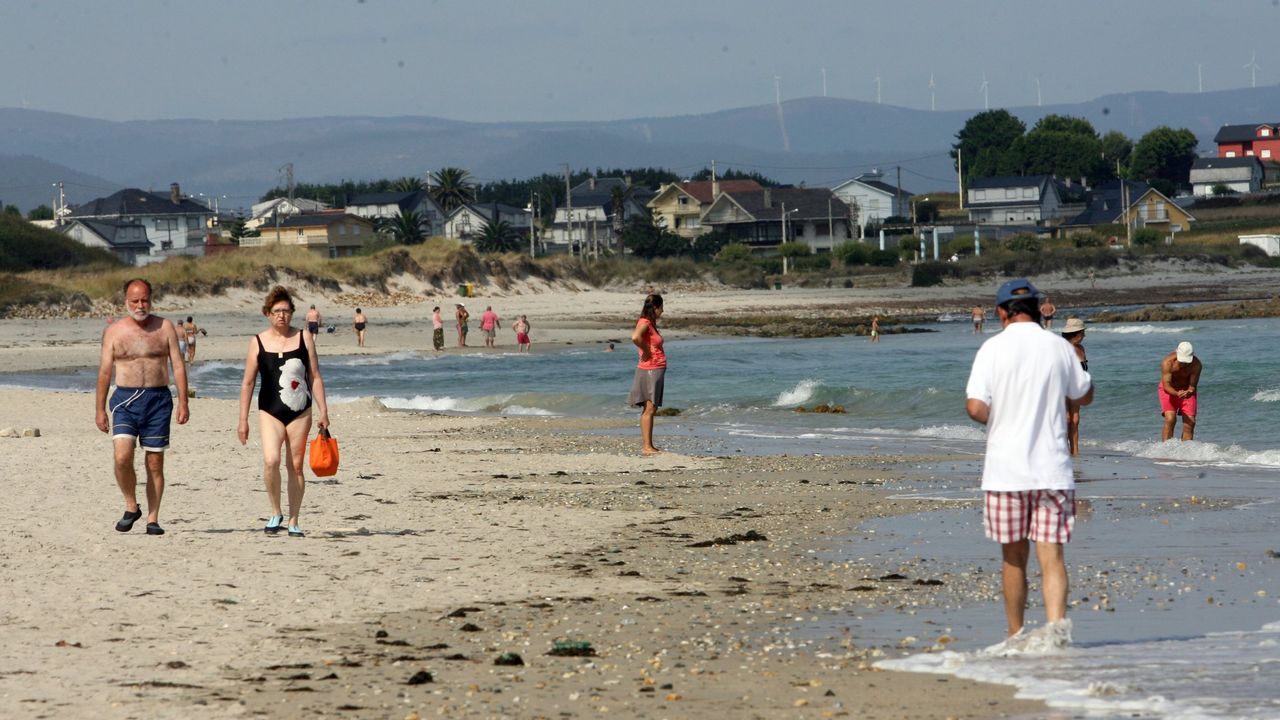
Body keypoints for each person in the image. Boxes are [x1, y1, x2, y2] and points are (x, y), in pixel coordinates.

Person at [965, 278, 1093, 645]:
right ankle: (1056, 633)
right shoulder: (1059, 347)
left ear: (1001, 312)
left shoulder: (991, 348)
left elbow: (975, 406)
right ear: (1038, 309)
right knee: (1051, 556)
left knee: (1014, 558)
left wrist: (1000, 418)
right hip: (1052, 469)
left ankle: (1016, 635)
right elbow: (1083, 395)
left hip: (1005, 472)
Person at [95, 278, 190, 536]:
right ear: (126, 301)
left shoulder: (165, 327)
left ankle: (152, 518)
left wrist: (184, 401)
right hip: (125, 399)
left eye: (145, 299)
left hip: (158, 399)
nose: (140, 305)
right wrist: (100, 409)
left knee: (155, 462)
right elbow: (104, 372)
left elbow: (178, 365)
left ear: (151, 299)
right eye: (135, 300)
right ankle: (131, 505)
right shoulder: (114, 332)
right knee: (122, 456)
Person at [237, 286, 330, 538]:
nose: (282, 316)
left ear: (292, 313)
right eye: (277, 311)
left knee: (296, 466)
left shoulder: (304, 338)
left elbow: (315, 376)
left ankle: (293, 519)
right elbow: (247, 383)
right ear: (268, 313)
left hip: (301, 410)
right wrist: (242, 420)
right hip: (269, 409)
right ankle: (275, 511)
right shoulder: (257, 342)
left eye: (286, 311)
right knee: (271, 461)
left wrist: (324, 411)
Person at [628, 293, 667, 455]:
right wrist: (645, 350)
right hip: (651, 369)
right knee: (650, 408)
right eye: (662, 308)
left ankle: (649, 445)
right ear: (656, 308)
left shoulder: (650, 323)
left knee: (650, 408)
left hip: (654, 368)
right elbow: (635, 337)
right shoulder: (644, 322)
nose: (663, 311)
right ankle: (647, 447)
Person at [1159, 341, 1202, 441]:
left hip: (1187, 391)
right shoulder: (1167, 362)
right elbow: (1166, 385)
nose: (1184, 364)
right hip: (1169, 390)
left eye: (1187, 361)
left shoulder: (1196, 365)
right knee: (1170, 419)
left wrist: (1190, 391)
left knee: (1190, 422)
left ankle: (1185, 452)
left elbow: (1193, 386)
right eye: (1182, 361)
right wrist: (1177, 393)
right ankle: (1166, 449)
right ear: (1177, 353)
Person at [1060, 317, 1088, 456]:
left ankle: (1075, 451)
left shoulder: (1081, 348)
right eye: (1082, 333)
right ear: (1075, 333)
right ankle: (1063, 450)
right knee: (1067, 419)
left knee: (1075, 420)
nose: (1084, 336)